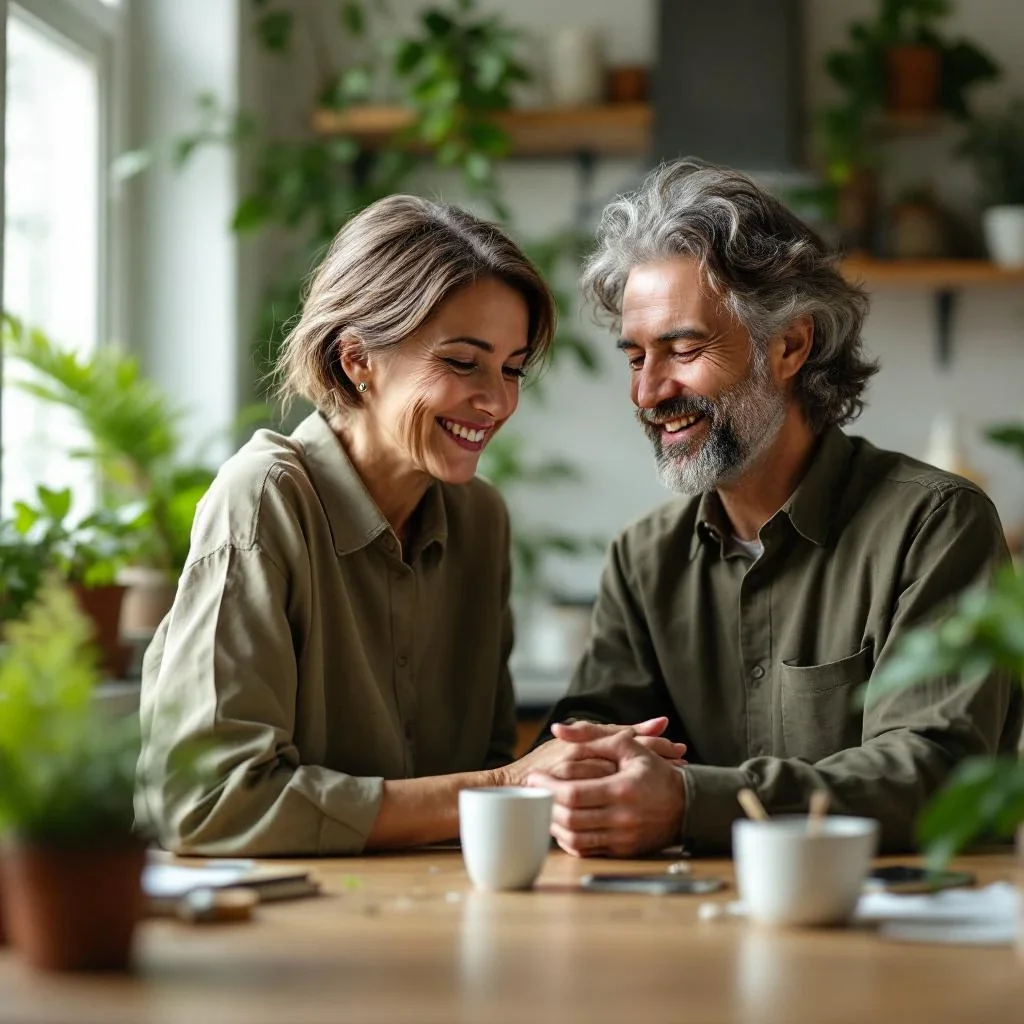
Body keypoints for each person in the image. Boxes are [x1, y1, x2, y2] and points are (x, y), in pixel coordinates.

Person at [135, 194, 688, 856]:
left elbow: (473, 774)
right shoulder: (263, 501)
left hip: (434, 913)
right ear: (356, 359)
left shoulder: (480, 521)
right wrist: (509, 783)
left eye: (512, 368)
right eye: (463, 362)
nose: (498, 400)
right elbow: (207, 803)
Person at [525, 160, 1023, 858]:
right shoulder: (644, 558)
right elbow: (587, 753)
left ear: (791, 345)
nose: (648, 392)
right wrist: (580, 784)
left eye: (684, 348)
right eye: (635, 357)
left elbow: (934, 773)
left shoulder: (935, 526)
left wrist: (692, 803)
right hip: (684, 933)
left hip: (898, 939)